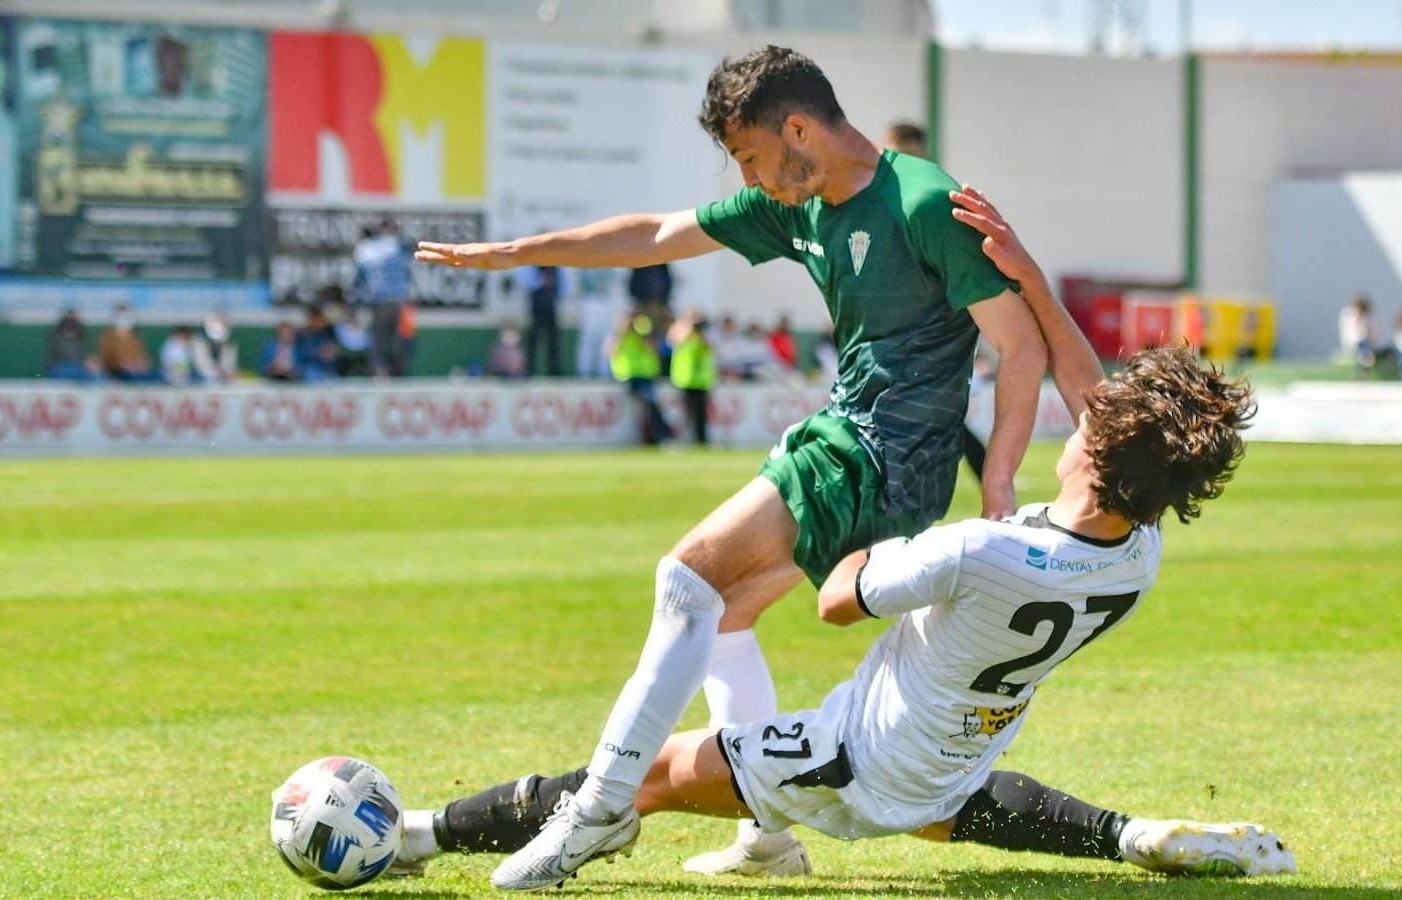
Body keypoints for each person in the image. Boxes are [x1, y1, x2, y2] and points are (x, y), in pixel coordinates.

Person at [387, 198, 1287, 886]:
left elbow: (837, 600)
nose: (1083, 412)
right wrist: (1031, 282)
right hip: (955, 758)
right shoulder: (1136, 552)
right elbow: (1095, 400)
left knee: (638, 780)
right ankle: (1128, 835)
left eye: (1096, 419)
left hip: (853, 758)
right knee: (938, 808)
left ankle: (414, 835)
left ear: (1096, 454)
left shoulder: (981, 549)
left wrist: (866, 518)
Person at [415, 46, 1047, 887]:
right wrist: (523, 252)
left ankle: (599, 811)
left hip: (882, 457)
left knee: (687, 579)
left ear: (797, 129)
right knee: (722, 620)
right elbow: (656, 234)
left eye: (749, 155)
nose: (747, 174)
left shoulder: (923, 200)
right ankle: (770, 839)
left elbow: (1020, 346)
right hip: (852, 442)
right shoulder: (798, 202)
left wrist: (999, 477)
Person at [884, 119, 990, 482]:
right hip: (895, 329)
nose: (910, 159)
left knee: (942, 417)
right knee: (935, 419)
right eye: (902, 152)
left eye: (915, 152)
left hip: (929, 330)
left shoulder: (934, 195)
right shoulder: (877, 196)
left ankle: (991, 476)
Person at [353, 219, 412, 377]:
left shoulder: (366, 248)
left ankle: (380, 371)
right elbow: (408, 271)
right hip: (398, 299)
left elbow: (359, 277)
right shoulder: (398, 245)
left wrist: (354, 301)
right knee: (398, 338)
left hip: (380, 299)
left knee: (379, 337)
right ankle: (397, 371)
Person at [609, 315, 674, 445]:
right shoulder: (623, 338)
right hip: (631, 377)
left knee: (650, 407)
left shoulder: (642, 337)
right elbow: (610, 350)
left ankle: (655, 437)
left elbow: (654, 349)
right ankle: (662, 436)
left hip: (646, 377)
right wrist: (620, 333)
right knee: (650, 405)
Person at [668, 311, 716, 445]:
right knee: (687, 413)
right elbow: (674, 341)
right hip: (685, 379)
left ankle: (701, 441)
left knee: (701, 414)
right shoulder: (681, 332)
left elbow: (710, 347)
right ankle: (685, 440)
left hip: (701, 381)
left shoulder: (702, 336)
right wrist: (688, 327)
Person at [574, 268, 620, 379]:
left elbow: (614, 277)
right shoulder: (584, 261)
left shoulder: (609, 259)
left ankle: (604, 371)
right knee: (588, 338)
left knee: (606, 337)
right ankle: (584, 371)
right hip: (589, 300)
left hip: (606, 300)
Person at [97, 304, 159, 383]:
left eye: (128, 317)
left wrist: (142, 364)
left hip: (138, 372)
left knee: (155, 377)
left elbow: (143, 356)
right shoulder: (107, 338)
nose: (125, 319)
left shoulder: (136, 337)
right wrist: (124, 365)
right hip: (117, 372)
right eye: (123, 317)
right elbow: (106, 358)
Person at [524, 265, 564, 377]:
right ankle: (528, 371)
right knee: (533, 341)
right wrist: (540, 281)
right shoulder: (532, 265)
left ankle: (554, 373)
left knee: (553, 341)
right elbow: (526, 282)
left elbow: (562, 286)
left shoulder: (556, 267)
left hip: (551, 307)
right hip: (536, 307)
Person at [45, 308, 100, 382]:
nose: (70, 322)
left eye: (72, 319)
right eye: (67, 319)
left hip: (81, 367)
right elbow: (57, 356)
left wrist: (91, 363)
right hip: (61, 367)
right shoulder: (56, 337)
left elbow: (90, 356)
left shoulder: (83, 336)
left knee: (97, 377)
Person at [1337, 294, 1379, 376]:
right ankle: (1366, 360)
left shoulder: (1368, 316)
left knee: (1365, 345)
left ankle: (1365, 361)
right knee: (1363, 345)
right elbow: (1351, 334)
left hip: (1368, 343)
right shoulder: (1349, 314)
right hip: (1356, 343)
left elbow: (1374, 332)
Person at [193, 312, 239, 385]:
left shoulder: (230, 343)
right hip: (202, 380)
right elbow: (202, 366)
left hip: (224, 380)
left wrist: (229, 373)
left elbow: (230, 365)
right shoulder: (199, 341)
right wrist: (218, 373)